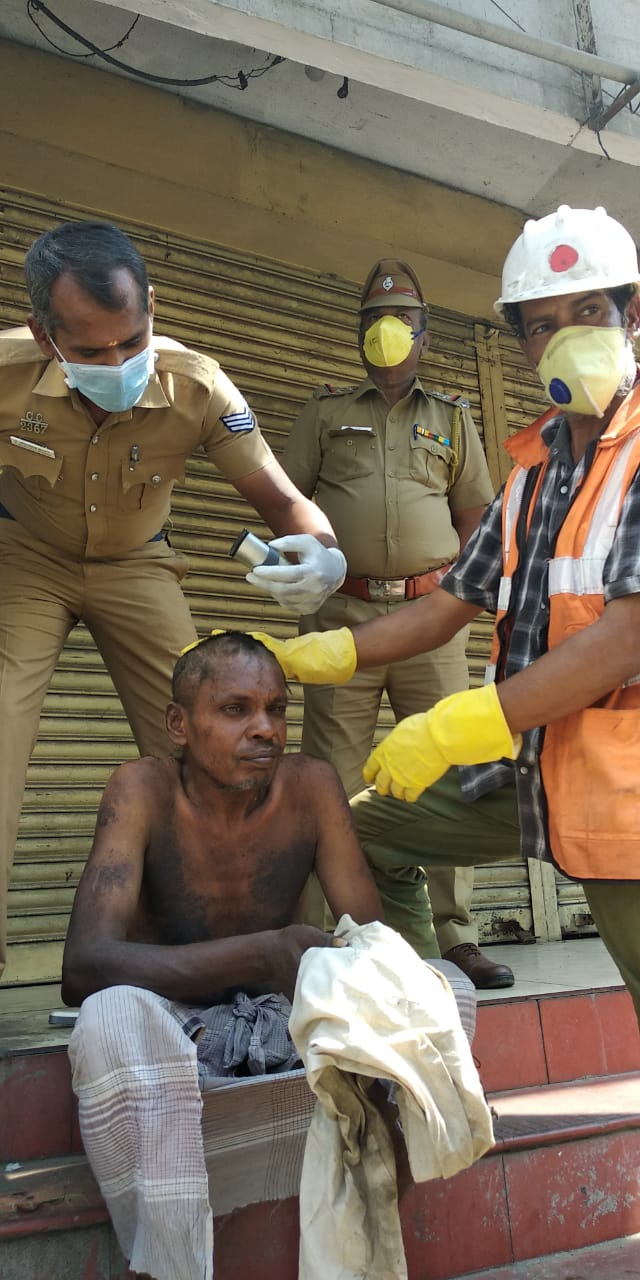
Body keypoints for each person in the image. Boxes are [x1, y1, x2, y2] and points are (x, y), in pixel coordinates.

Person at [253, 205, 640, 1028]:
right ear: (523, 344)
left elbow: (630, 634)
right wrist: (315, 657)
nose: (563, 339)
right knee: (360, 831)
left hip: (626, 776)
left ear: (632, 313)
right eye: (541, 326)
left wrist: (470, 719)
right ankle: (426, 992)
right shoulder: (535, 470)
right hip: (531, 757)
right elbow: (450, 605)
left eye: (589, 313)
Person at [62, 631, 476, 1280]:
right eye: (236, 710)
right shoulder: (139, 790)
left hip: (285, 1020)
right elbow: (83, 967)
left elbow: (364, 937)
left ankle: (368, 1231)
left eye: (277, 710)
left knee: (447, 985)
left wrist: (339, 972)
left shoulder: (310, 787)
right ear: (179, 723)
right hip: (177, 1035)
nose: (265, 729)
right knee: (109, 1016)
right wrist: (264, 949)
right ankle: (170, 1268)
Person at [0, 219, 348, 979]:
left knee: (215, 747)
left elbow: (286, 503)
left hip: (140, 565)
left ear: (151, 307)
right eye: (91, 351)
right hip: (24, 558)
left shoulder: (196, 384)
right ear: (42, 332)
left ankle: (262, 958)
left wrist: (323, 553)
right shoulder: (3, 371)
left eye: (132, 339)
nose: (119, 362)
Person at [276, 258, 512, 989]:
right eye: (376, 322)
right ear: (359, 334)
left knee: (447, 773)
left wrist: (476, 599)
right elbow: (288, 500)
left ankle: (455, 937)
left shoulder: (453, 418)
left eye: (403, 322)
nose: (389, 333)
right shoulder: (323, 412)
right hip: (342, 613)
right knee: (331, 779)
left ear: (425, 335)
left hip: (431, 618)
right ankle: (337, 936)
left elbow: (476, 520)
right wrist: (296, 566)